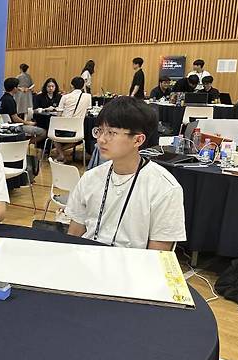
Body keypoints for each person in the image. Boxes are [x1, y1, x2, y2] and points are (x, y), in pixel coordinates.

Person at [65, 96, 185, 250]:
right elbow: (73, 236)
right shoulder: (91, 177)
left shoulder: (165, 188)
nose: (101, 139)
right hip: (87, 260)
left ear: (138, 140)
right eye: (100, 131)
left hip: (131, 267)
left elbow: (158, 254)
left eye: (111, 133)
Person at [52, 76, 92, 162]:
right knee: (78, 139)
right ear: (83, 86)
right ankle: (61, 152)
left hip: (62, 130)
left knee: (53, 134)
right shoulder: (88, 97)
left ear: (71, 85)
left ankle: (60, 153)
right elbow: (87, 112)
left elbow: (59, 115)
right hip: (78, 131)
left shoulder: (65, 97)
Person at [0, 77, 46, 142]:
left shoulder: (3, 99)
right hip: (14, 126)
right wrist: (28, 123)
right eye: (18, 86)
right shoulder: (10, 100)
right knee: (43, 132)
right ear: (14, 88)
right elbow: (15, 118)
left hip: (8, 125)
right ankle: (25, 144)